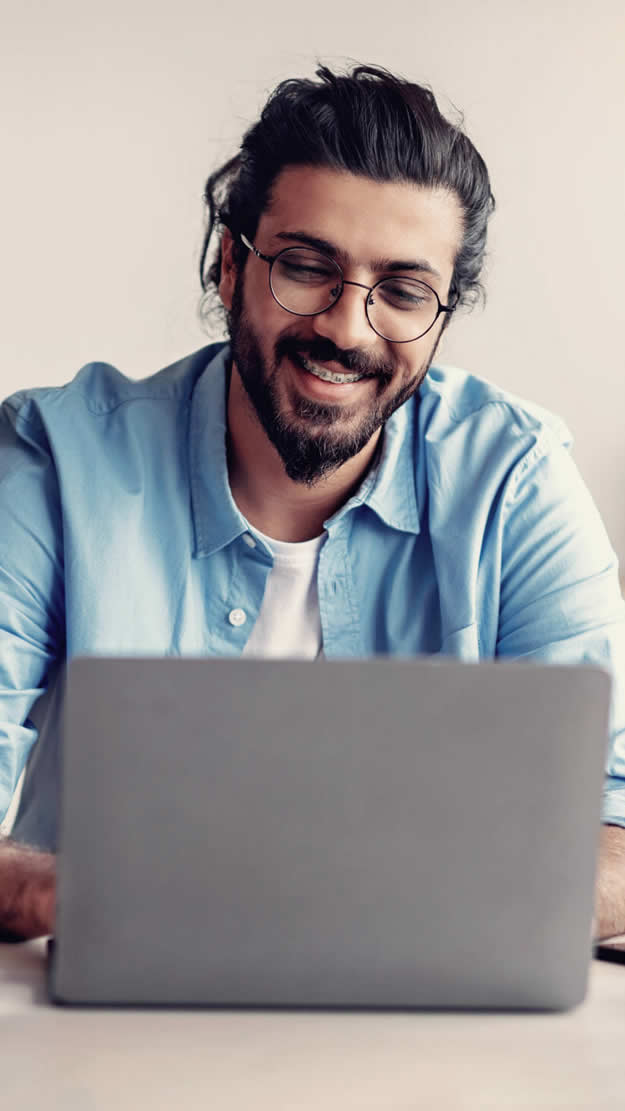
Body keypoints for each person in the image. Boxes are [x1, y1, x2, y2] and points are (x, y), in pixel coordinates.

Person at [1, 63, 624, 942]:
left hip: (429, 1049)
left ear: (442, 312)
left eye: (403, 291)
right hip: (109, 1036)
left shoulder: (514, 478)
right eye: (305, 268)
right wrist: (54, 891)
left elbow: (615, 827)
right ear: (230, 265)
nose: (347, 325)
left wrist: (357, 914)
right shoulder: (55, 456)